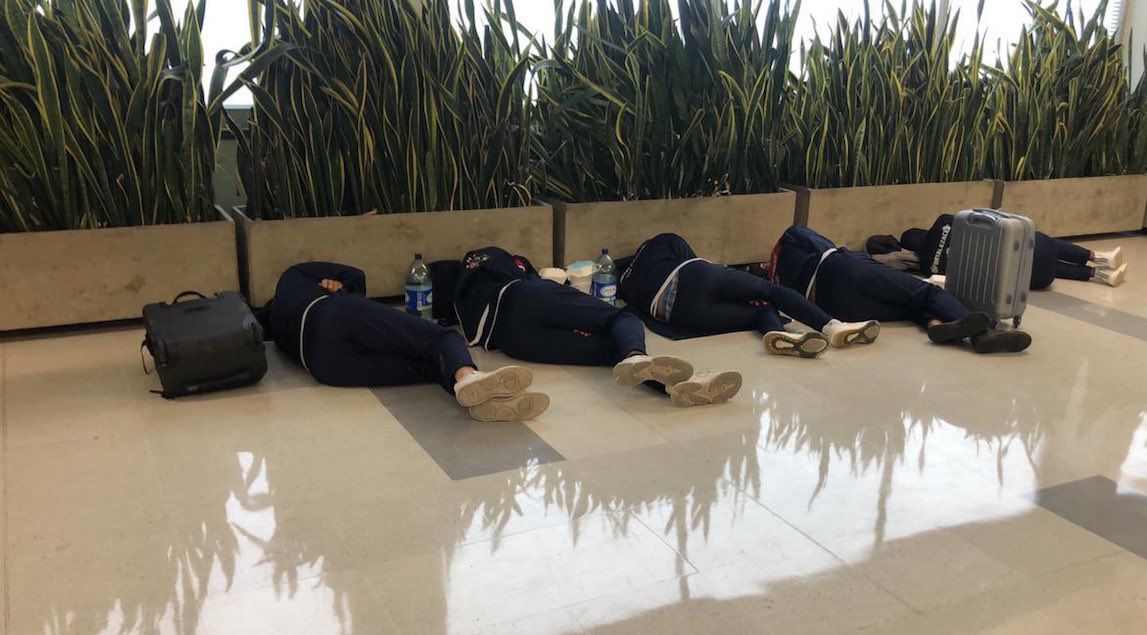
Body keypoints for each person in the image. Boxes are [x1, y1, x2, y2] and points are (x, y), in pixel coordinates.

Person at [257, 261, 548, 422]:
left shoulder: (278, 326)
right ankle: (469, 376)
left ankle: (488, 400)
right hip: (337, 314)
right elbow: (357, 275)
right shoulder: (293, 274)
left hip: (325, 367)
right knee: (440, 337)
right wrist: (340, 286)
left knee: (428, 367)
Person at [454, 247, 742, 407]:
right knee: (621, 318)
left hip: (511, 341)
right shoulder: (503, 258)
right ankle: (635, 355)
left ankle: (676, 386)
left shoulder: (462, 288)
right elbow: (546, 278)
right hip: (522, 296)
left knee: (607, 351)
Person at [771, 226, 1033, 354]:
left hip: (838, 308)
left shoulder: (777, 285)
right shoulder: (791, 235)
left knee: (911, 307)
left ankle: (934, 325)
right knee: (927, 293)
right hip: (844, 269)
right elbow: (830, 248)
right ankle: (983, 333)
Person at [615, 232, 879, 358]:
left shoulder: (624, 286)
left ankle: (779, 335)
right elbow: (693, 261)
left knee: (757, 311)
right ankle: (832, 327)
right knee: (771, 292)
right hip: (694, 277)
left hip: (681, 316)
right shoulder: (662, 241)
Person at [869, 214, 1128, 289]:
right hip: (1023, 248)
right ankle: (1099, 257)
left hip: (1029, 278)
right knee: (1041, 244)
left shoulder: (929, 267)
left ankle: (1097, 275)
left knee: (1032, 266)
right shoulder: (945, 222)